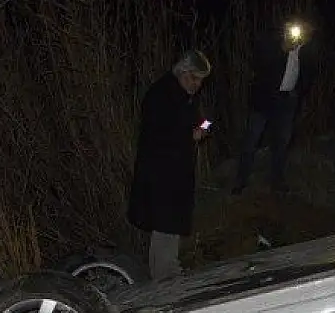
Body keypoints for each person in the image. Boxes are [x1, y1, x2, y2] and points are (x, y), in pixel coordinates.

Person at [126, 49, 212, 280]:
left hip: (177, 172)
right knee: (165, 224)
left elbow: (204, 119)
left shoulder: (187, 96)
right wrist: (189, 136)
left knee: (169, 226)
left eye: (200, 81)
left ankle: (165, 271)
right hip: (161, 173)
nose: (197, 84)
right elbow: (157, 134)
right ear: (182, 72)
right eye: (193, 78)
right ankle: (166, 276)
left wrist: (205, 126)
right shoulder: (160, 95)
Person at [232, 17, 317, 195]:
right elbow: (258, 65)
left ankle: (277, 181)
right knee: (251, 141)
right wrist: (283, 49)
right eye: (296, 29)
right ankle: (241, 181)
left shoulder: (308, 51)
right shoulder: (271, 43)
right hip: (264, 99)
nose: (300, 34)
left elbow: (309, 75)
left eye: (306, 31)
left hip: (288, 101)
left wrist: (299, 92)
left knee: (281, 142)